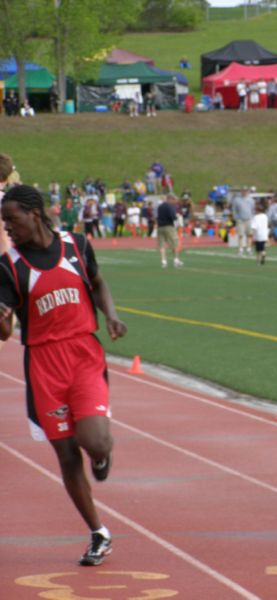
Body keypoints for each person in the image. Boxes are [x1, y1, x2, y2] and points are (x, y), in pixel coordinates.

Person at [0, 184, 127, 567]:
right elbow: (4, 330)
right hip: (43, 364)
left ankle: (102, 456)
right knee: (68, 456)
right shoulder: (9, 266)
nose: (7, 227)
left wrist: (111, 314)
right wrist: (2, 323)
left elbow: (98, 282)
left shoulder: (77, 245)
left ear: (34, 213)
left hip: (83, 353)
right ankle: (98, 533)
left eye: (12, 219)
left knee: (95, 441)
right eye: (4, 221)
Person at [157, 194, 183, 268]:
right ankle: (176, 259)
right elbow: (172, 217)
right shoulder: (170, 206)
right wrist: (177, 216)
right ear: (170, 199)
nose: (175, 202)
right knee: (174, 243)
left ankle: (163, 261)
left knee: (162, 244)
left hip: (160, 227)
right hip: (169, 226)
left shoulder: (160, 206)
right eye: (174, 200)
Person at [231, 186, 255, 256]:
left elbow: (252, 209)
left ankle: (249, 249)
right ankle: (240, 249)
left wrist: (252, 218)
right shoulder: (237, 199)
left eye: (246, 191)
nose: (244, 192)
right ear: (241, 191)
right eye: (243, 190)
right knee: (241, 235)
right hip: (240, 219)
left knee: (249, 235)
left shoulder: (251, 200)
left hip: (249, 219)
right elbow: (234, 209)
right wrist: (236, 217)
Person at [251, 200, 269, 265]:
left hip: (258, 235)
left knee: (258, 250)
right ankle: (263, 255)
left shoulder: (255, 217)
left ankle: (258, 261)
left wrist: (253, 236)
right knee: (263, 247)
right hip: (265, 234)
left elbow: (254, 227)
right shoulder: (265, 216)